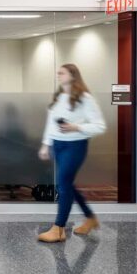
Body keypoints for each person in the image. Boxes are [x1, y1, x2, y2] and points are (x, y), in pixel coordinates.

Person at [37, 64, 106, 243]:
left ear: (73, 75)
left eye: (62, 72)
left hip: (75, 146)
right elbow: (50, 124)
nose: (58, 75)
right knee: (67, 184)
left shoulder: (85, 98)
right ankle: (90, 217)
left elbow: (99, 126)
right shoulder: (59, 97)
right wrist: (46, 145)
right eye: (58, 72)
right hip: (57, 146)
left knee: (63, 185)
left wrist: (76, 127)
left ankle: (58, 229)